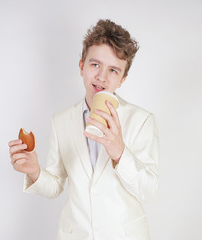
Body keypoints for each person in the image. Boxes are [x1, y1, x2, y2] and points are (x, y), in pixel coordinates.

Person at [8, 19, 159, 240]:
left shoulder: (142, 120)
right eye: (95, 65)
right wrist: (35, 171)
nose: (102, 77)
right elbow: (56, 185)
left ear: (123, 79)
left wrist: (119, 152)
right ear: (81, 66)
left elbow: (149, 190)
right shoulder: (60, 121)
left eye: (114, 70)